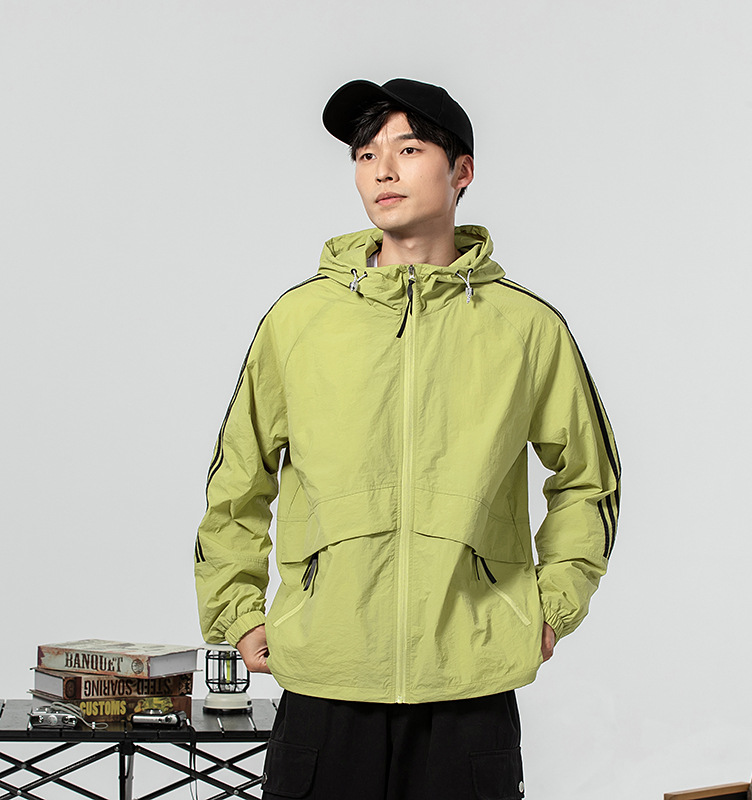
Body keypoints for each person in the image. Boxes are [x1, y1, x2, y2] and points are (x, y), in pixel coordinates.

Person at [194, 78, 621, 800]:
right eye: (365, 155)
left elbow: (588, 479)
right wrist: (237, 613)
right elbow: (239, 477)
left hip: (470, 686)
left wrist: (551, 607)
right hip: (325, 681)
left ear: (462, 171)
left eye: (409, 149)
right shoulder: (298, 322)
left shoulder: (526, 329)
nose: (382, 171)